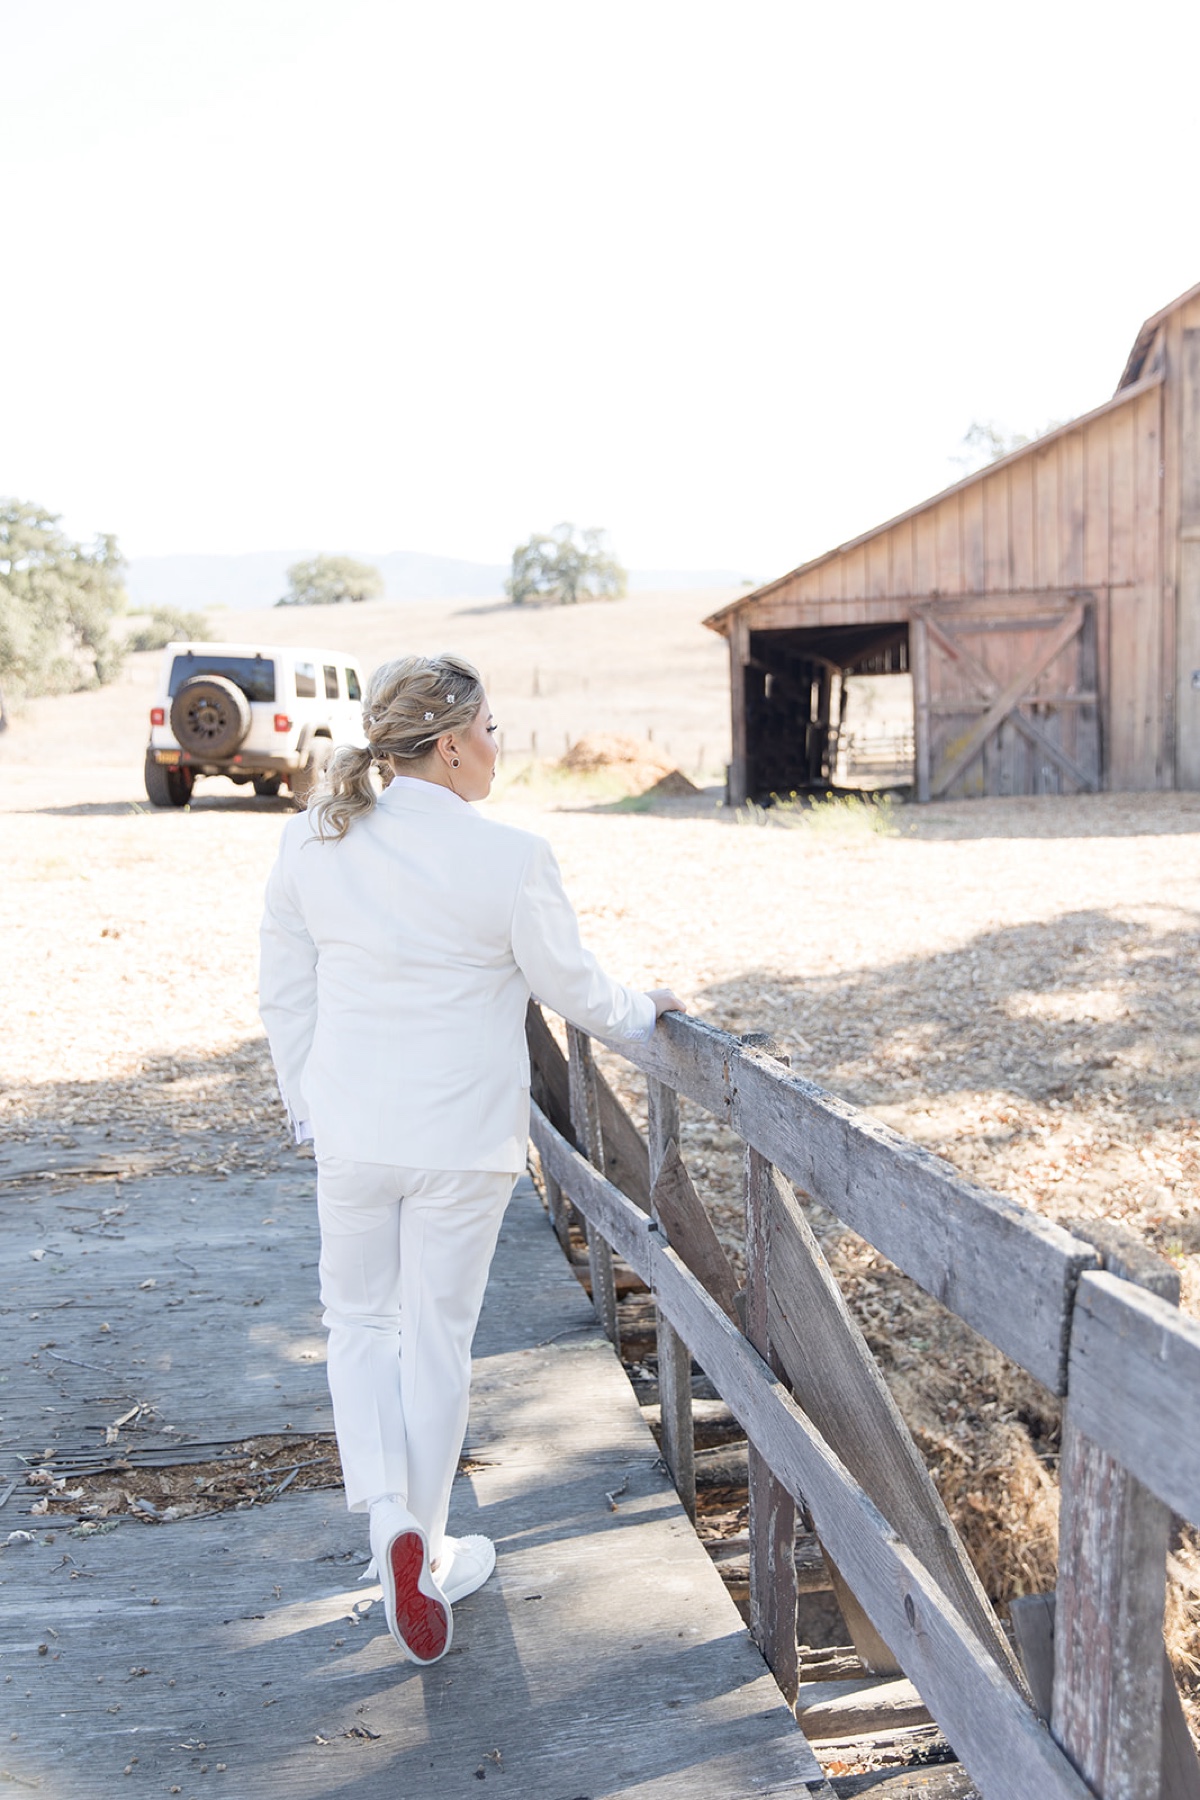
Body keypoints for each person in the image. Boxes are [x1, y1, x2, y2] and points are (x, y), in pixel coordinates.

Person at [258, 652, 683, 1666]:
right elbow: (579, 991)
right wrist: (651, 1011)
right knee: (438, 1340)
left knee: (358, 1323)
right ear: (449, 745)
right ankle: (433, 1541)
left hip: (354, 1132)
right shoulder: (512, 858)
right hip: (464, 1143)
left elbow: (285, 994)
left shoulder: (314, 841)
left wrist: (308, 1108)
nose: (501, 744)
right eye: (491, 727)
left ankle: (389, 1531)